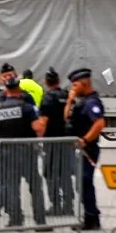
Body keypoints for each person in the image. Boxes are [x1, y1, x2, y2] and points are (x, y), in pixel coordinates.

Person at [0, 74, 48, 229]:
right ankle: (40, 220)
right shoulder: (28, 108)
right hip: (28, 151)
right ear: (18, 88)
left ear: (6, 89)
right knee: (35, 186)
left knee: (11, 186)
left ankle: (16, 219)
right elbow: (38, 128)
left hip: (7, 152)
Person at [65, 68, 106, 231]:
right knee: (82, 183)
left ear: (84, 83)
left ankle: (92, 218)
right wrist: (69, 100)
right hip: (80, 149)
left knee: (86, 181)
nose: (73, 88)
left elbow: (100, 123)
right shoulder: (80, 101)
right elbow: (66, 117)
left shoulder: (92, 102)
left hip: (88, 149)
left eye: (75, 85)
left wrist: (85, 140)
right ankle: (90, 215)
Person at [39, 68, 74, 217]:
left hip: (51, 142)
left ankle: (56, 205)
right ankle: (68, 205)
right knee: (65, 173)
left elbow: (44, 121)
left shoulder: (47, 98)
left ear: (46, 82)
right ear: (58, 81)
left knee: (50, 174)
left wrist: (38, 138)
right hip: (66, 141)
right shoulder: (66, 96)